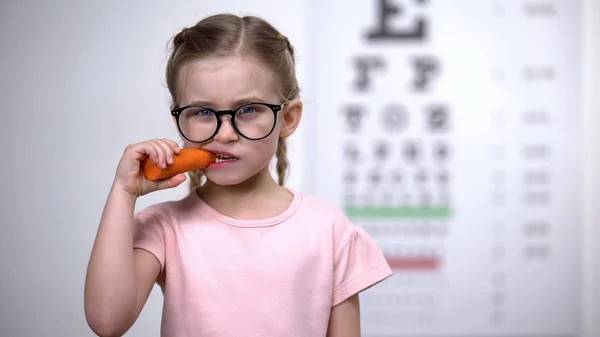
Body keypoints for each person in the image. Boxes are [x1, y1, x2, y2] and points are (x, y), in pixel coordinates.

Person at [84, 13, 393, 337]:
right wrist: (123, 192)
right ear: (179, 117)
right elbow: (107, 321)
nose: (226, 134)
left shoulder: (329, 229)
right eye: (203, 112)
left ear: (287, 118)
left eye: (248, 109)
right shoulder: (165, 226)